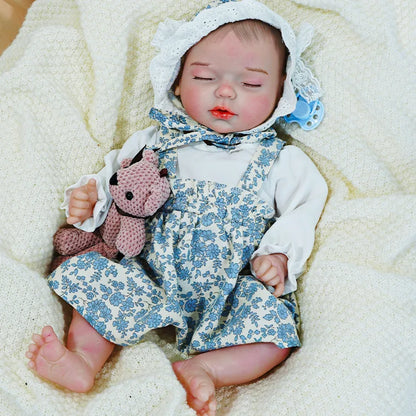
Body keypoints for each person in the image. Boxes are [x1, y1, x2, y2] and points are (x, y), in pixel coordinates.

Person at [26, 1, 328, 415]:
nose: (225, 91)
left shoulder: (281, 161)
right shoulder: (156, 140)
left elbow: (301, 212)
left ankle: (206, 369)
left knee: (273, 334)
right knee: (98, 286)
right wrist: (90, 200)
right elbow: (118, 184)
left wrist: (277, 255)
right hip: (145, 271)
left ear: (280, 93)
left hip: (228, 287)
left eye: (252, 85)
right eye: (204, 77)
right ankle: (82, 360)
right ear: (177, 81)